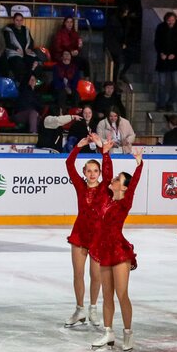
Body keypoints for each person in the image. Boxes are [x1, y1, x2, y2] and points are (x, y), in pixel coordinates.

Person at [89, 147, 144, 352]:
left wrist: (139, 165)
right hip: (104, 251)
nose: (113, 179)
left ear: (124, 188)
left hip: (119, 253)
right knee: (107, 296)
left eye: (118, 179)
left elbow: (135, 184)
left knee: (122, 294)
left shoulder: (124, 203)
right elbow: (106, 174)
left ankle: (128, 333)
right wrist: (105, 154)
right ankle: (108, 331)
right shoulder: (106, 197)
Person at [64, 133, 110, 328]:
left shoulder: (104, 188)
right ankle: (79, 309)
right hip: (79, 234)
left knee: (96, 275)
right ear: (84, 171)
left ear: (99, 173)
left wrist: (104, 152)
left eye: (95, 171)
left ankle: (92, 308)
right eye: (89, 170)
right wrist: (78, 146)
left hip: (98, 236)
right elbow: (68, 164)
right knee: (78, 274)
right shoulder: (80, 186)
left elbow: (109, 172)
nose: (92, 174)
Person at [154, 11, 177, 111]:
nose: (170, 22)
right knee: (162, 84)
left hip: (174, 60)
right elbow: (157, 42)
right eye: (169, 20)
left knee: (175, 83)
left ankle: (170, 102)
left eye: (172, 20)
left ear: (175, 20)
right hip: (162, 59)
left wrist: (174, 54)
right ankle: (161, 104)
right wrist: (161, 53)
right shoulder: (161, 28)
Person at [3, 12, 41, 85]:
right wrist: (16, 49)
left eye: (21, 20)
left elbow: (31, 41)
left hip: (26, 52)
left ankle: (34, 82)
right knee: (19, 63)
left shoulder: (25, 29)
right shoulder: (8, 30)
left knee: (36, 61)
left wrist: (29, 48)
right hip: (14, 53)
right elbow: (7, 43)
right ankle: (23, 83)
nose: (19, 22)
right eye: (17, 20)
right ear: (14, 20)